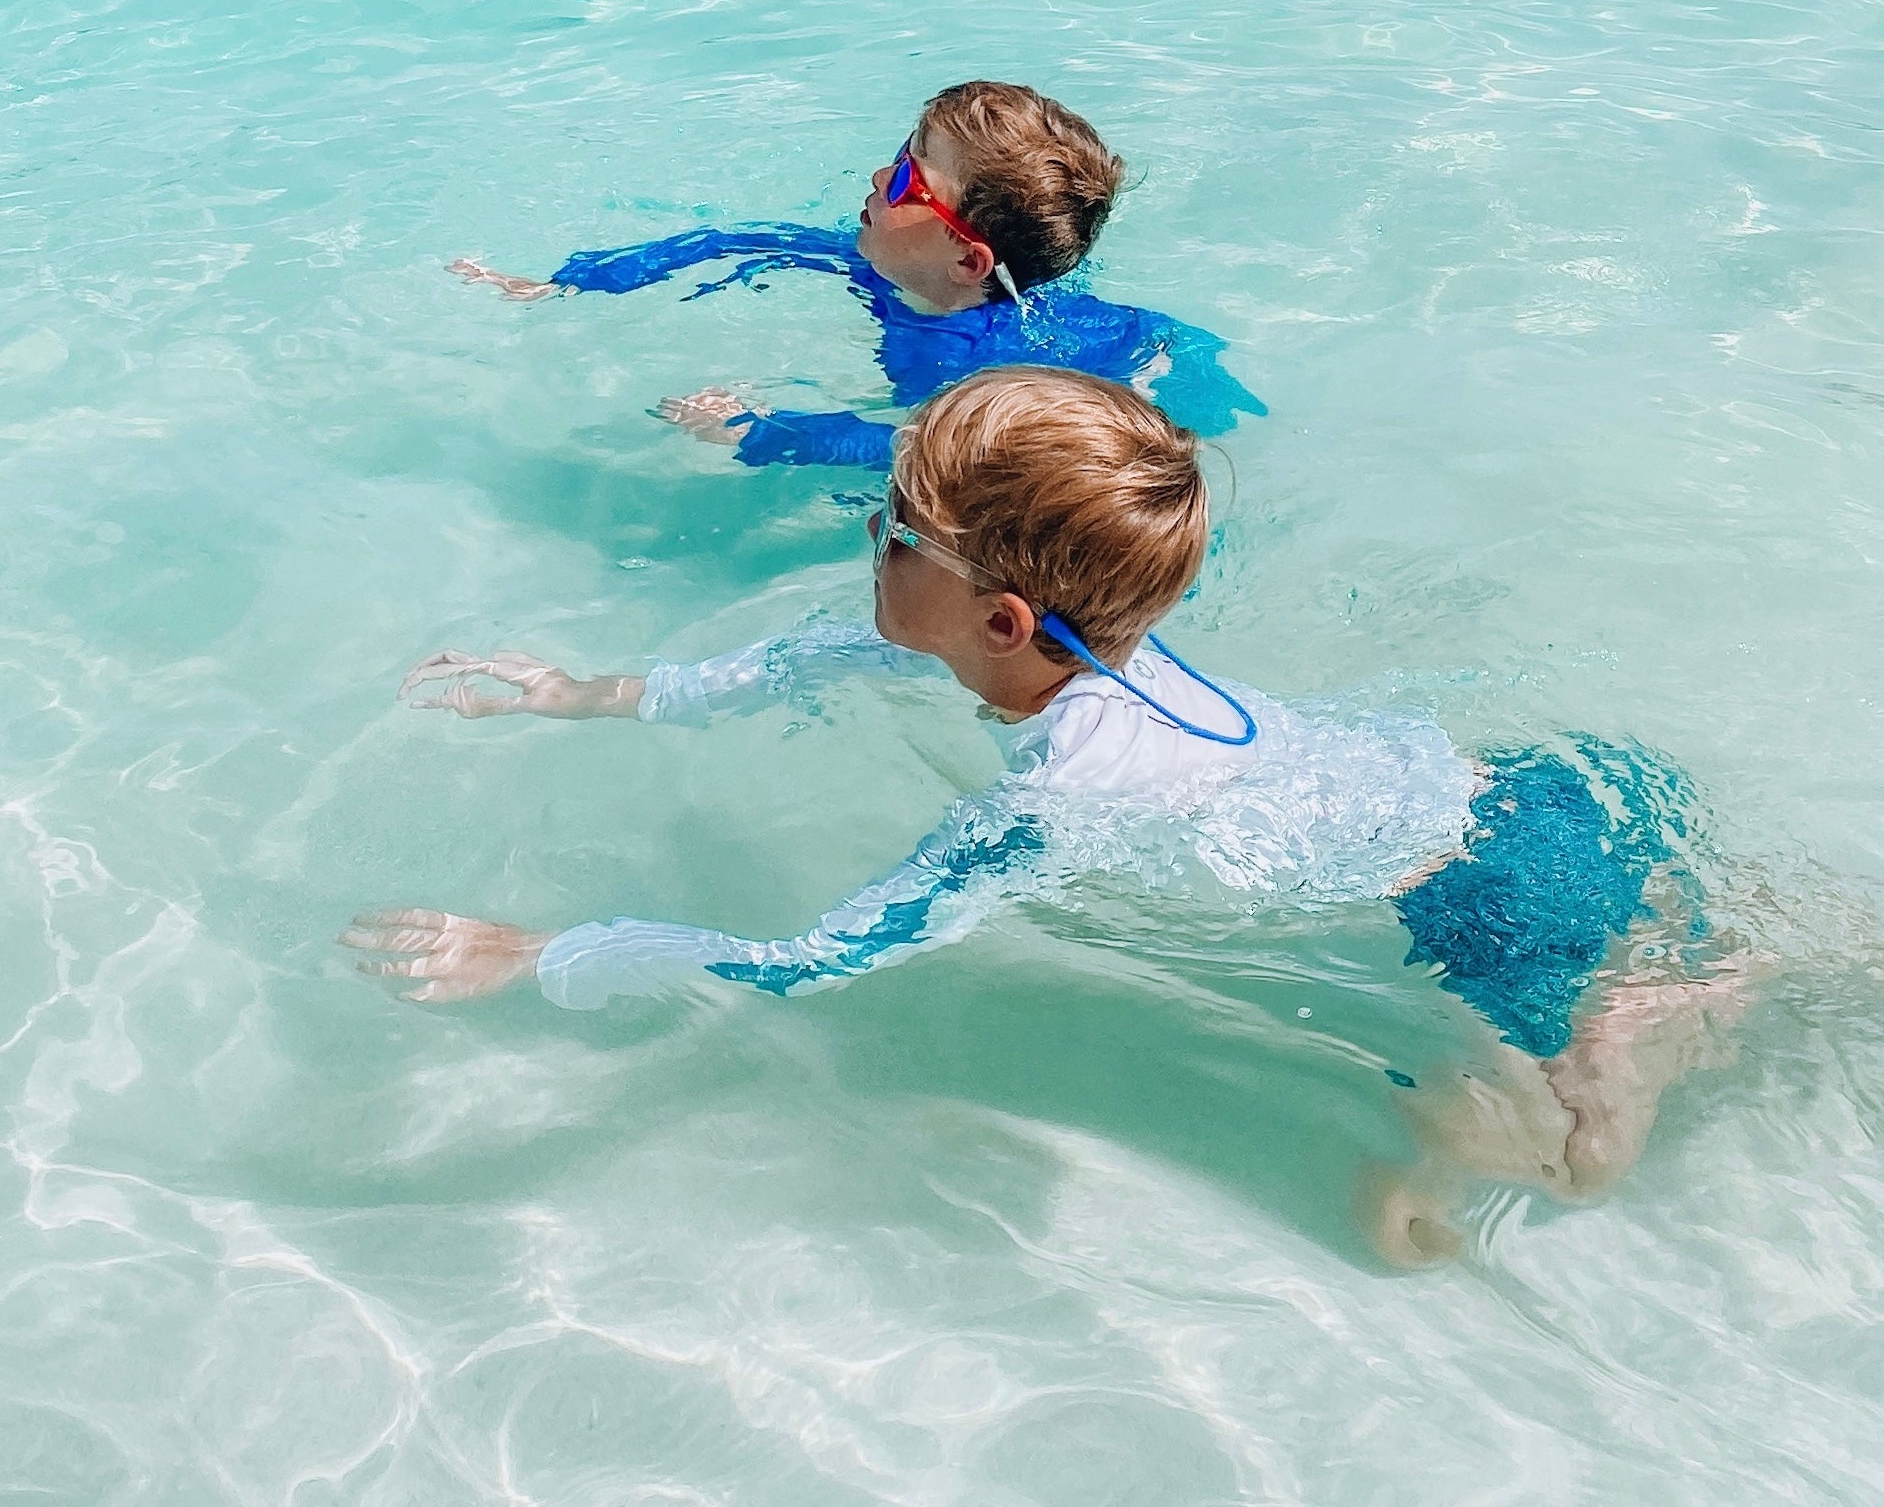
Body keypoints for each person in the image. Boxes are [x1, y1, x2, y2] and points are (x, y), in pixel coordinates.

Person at [352, 369, 1760, 1265]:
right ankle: (1672, 970)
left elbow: (827, 958)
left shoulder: (1072, 788)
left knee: (1564, 1162)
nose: (867, 545)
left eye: (889, 531)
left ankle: (1658, 1013)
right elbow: (806, 656)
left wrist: (546, 952)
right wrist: (583, 696)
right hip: (1533, 785)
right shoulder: (1042, 644)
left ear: (1000, 617)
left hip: (1500, 905)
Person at [451, 80, 1261, 467]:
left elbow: (924, 455)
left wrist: (764, 431)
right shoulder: (875, 258)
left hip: (1146, 361)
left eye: (910, 183)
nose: (879, 180)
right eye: (899, 158)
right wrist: (566, 283)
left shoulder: (976, 364)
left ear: (967, 258)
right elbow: (726, 241)